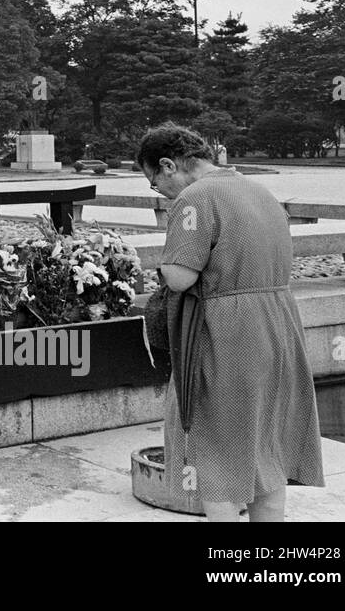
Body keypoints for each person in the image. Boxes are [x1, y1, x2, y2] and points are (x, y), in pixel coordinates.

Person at [139, 122, 323, 522]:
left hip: (228, 333)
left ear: (169, 165)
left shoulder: (195, 198)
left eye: (155, 183)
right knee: (265, 448)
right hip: (278, 325)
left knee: (214, 452)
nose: (161, 192)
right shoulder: (258, 190)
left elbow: (179, 276)